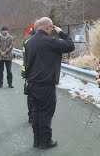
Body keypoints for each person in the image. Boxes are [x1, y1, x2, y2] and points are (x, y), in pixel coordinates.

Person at [25, 17, 75, 149]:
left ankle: (37, 140)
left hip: (32, 83)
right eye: (51, 27)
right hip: (46, 84)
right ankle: (45, 141)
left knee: (36, 113)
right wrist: (61, 32)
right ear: (47, 27)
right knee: (46, 113)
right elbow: (70, 46)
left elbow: (27, 63)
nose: (52, 29)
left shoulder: (29, 42)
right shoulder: (49, 41)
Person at [22, 20, 40, 123]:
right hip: (31, 72)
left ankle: (35, 115)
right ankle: (31, 116)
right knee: (31, 96)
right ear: (36, 27)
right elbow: (26, 59)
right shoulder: (29, 39)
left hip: (35, 71)